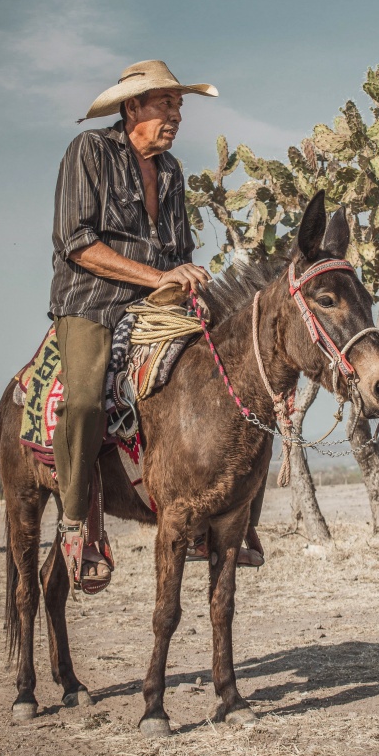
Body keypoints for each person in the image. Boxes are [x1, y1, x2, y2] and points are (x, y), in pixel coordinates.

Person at [49, 60, 264, 592]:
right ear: (131, 108)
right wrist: (159, 276)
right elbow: (76, 243)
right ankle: (76, 524)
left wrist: (189, 280)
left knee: (240, 370)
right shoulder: (90, 152)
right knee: (83, 401)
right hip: (93, 301)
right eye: (165, 104)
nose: (175, 115)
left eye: (179, 106)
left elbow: (180, 252)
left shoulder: (171, 172)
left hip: (160, 301)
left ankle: (224, 519)